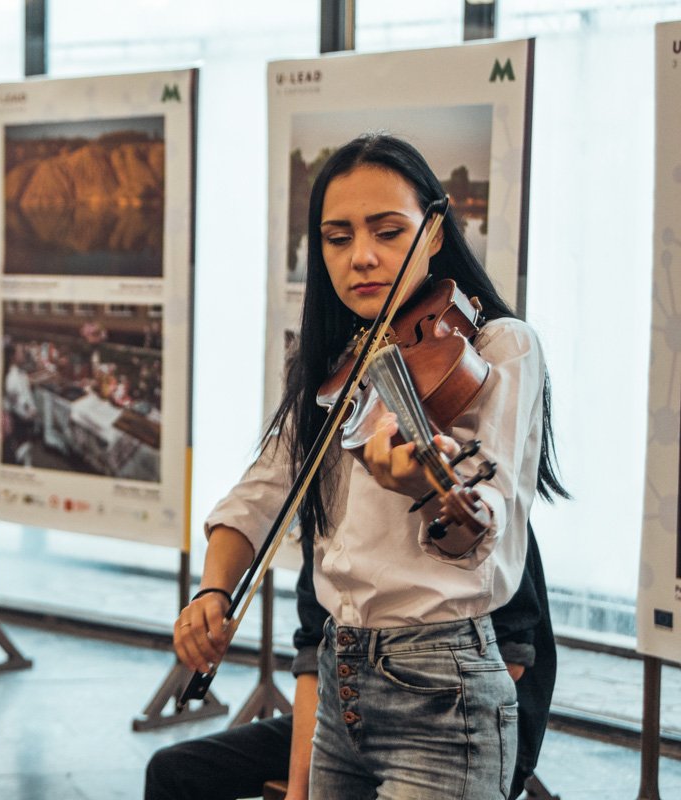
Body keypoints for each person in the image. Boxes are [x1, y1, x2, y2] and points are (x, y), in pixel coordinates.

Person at [171, 133, 568, 800]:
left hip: (445, 687)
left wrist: (433, 490)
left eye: (388, 232)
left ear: (434, 232)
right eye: (336, 237)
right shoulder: (333, 369)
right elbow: (263, 491)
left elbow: (489, 509)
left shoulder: (501, 346)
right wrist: (213, 589)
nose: (361, 257)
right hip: (343, 678)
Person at [144, 524, 556, 800]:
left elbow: (510, 665)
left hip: (458, 719)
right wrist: (300, 788)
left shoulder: (464, 510)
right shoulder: (330, 516)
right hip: (347, 716)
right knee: (174, 771)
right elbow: (312, 659)